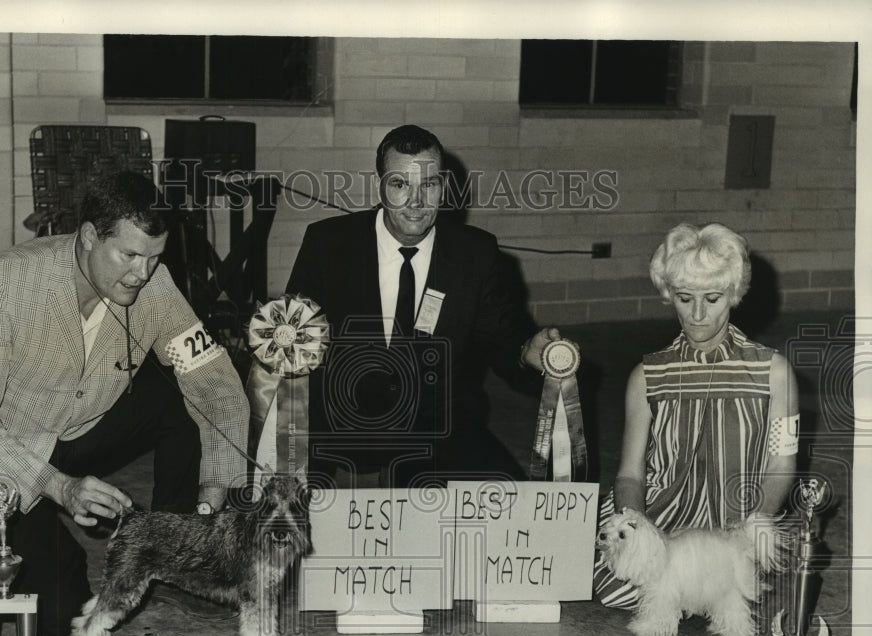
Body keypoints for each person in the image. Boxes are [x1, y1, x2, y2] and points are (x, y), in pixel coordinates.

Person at [0, 170, 249, 636]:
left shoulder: (155, 284)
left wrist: (215, 492)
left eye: (154, 258)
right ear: (90, 236)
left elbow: (212, 380)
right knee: (56, 615)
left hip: (74, 429)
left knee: (184, 398)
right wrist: (59, 486)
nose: (142, 273)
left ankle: (174, 549)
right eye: (129, 255)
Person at [287, 124, 564, 488]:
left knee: (513, 512)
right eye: (401, 184)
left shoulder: (475, 253)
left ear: (444, 187)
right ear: (381, 185)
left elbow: (502, 334)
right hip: (345, 439)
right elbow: (290, 338)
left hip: (439, 435)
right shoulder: (328, 243)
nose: (416, 202)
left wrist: (528, 349)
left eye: (428, 185)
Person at [593, 222, 799, 608]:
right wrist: (636, 527)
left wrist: (757, 522)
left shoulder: (774, 373)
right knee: (618, 590)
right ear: (669, 294)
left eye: (714, 298)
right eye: (685, 298)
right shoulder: (646, 377)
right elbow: (630, 472)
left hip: (737, 522)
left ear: (735, 295)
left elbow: (781, 464)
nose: (699, 315)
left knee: (727, 586)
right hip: (664, 515)